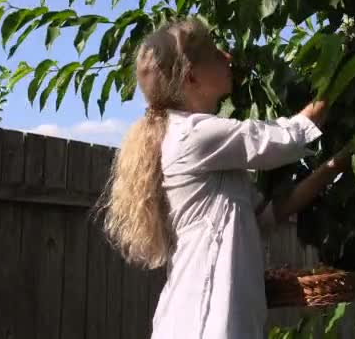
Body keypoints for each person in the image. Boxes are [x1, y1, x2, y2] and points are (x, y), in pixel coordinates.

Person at [95, 18, 337, 339]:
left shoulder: (199, 145)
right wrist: (341, 76)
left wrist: (333, 167)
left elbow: (266, 217)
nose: (227, 56)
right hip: (205, 323)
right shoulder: (194, 135)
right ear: (192, 76)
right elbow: (284, 137)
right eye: (213, 53)